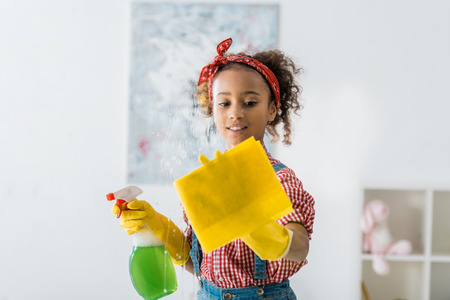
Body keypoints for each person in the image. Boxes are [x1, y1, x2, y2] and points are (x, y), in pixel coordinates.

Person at [113, 38, 315, 300]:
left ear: (272, 110)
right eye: (224, 103)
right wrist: (156, 227)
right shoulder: (207, 181)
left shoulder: (279, 179)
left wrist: (267, 235)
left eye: (250, 103)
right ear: (212, 108)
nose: (235, 113)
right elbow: (197, 263)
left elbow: (300, 246)